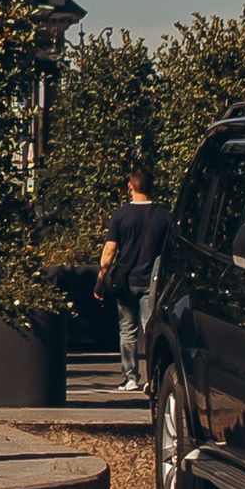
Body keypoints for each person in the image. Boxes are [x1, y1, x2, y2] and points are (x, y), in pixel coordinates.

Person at [95, 161, 170, 394]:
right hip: (152, 283)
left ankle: (130, 377)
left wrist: (100, 279)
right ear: (152, 187)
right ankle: (153, 377)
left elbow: (110, 250)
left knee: (127, 331)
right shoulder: (164, 216)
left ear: (130, 186)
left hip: (126, 282)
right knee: (151, 331)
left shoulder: (121, 215)